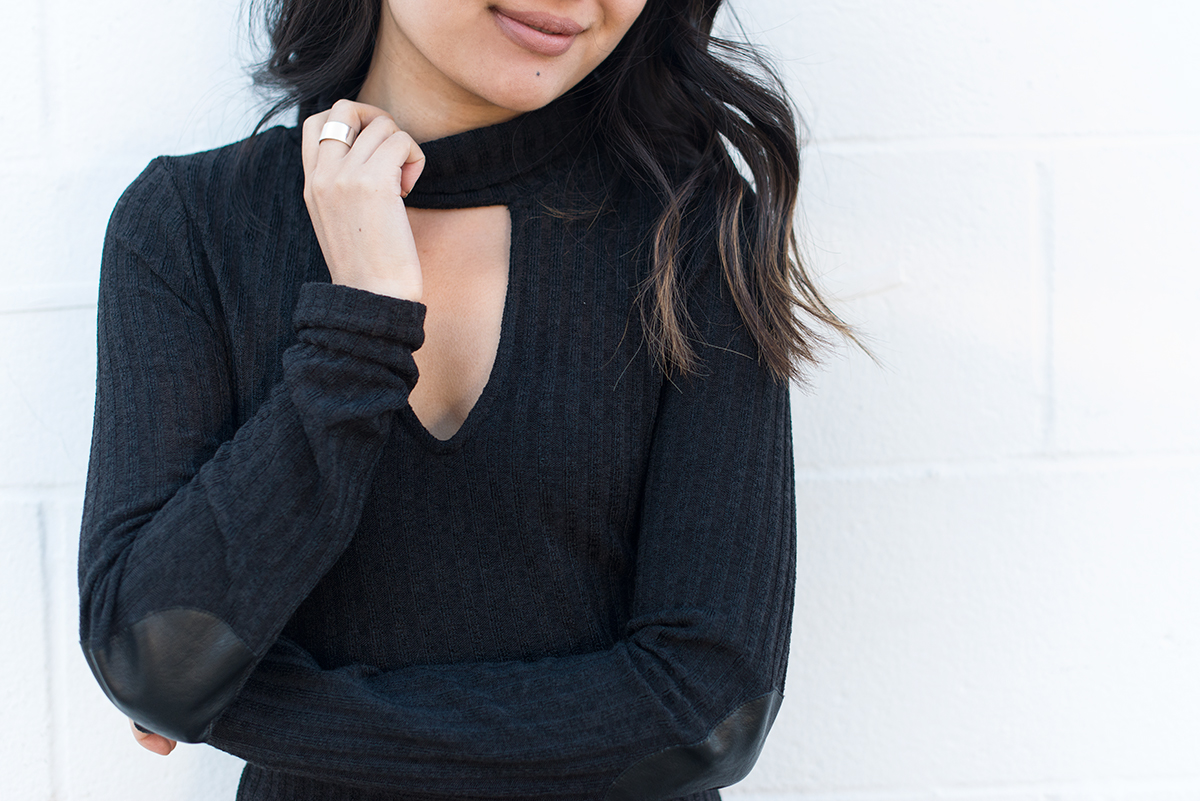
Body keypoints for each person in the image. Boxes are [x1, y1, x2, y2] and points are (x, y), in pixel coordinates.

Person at [78, 0, 853, 798]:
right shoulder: (191, 224)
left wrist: (241, 708)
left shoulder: (691, 230)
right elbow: (155, 656)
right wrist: (360, 323)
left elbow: (707, 712)